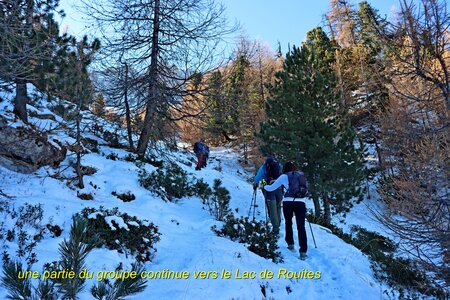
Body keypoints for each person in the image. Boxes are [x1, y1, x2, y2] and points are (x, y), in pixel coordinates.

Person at [264, 161, 309, 260]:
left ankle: (290, 243)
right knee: (301, 226)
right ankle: (303, 251)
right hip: (301, 202)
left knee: (288, 223)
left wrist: (264, 186)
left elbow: (271, 188)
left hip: (288, 202)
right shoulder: (301, 176)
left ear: (284, 169)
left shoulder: (284, 176)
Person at [253, 155, 283, 234]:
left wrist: (255, 184)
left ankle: (275, 229)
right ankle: (278, 224)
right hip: (279, 189)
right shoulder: (279, 165)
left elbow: (258, 177)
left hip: (269, 190)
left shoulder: (263, 167)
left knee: (272, 209)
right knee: (278, 207)